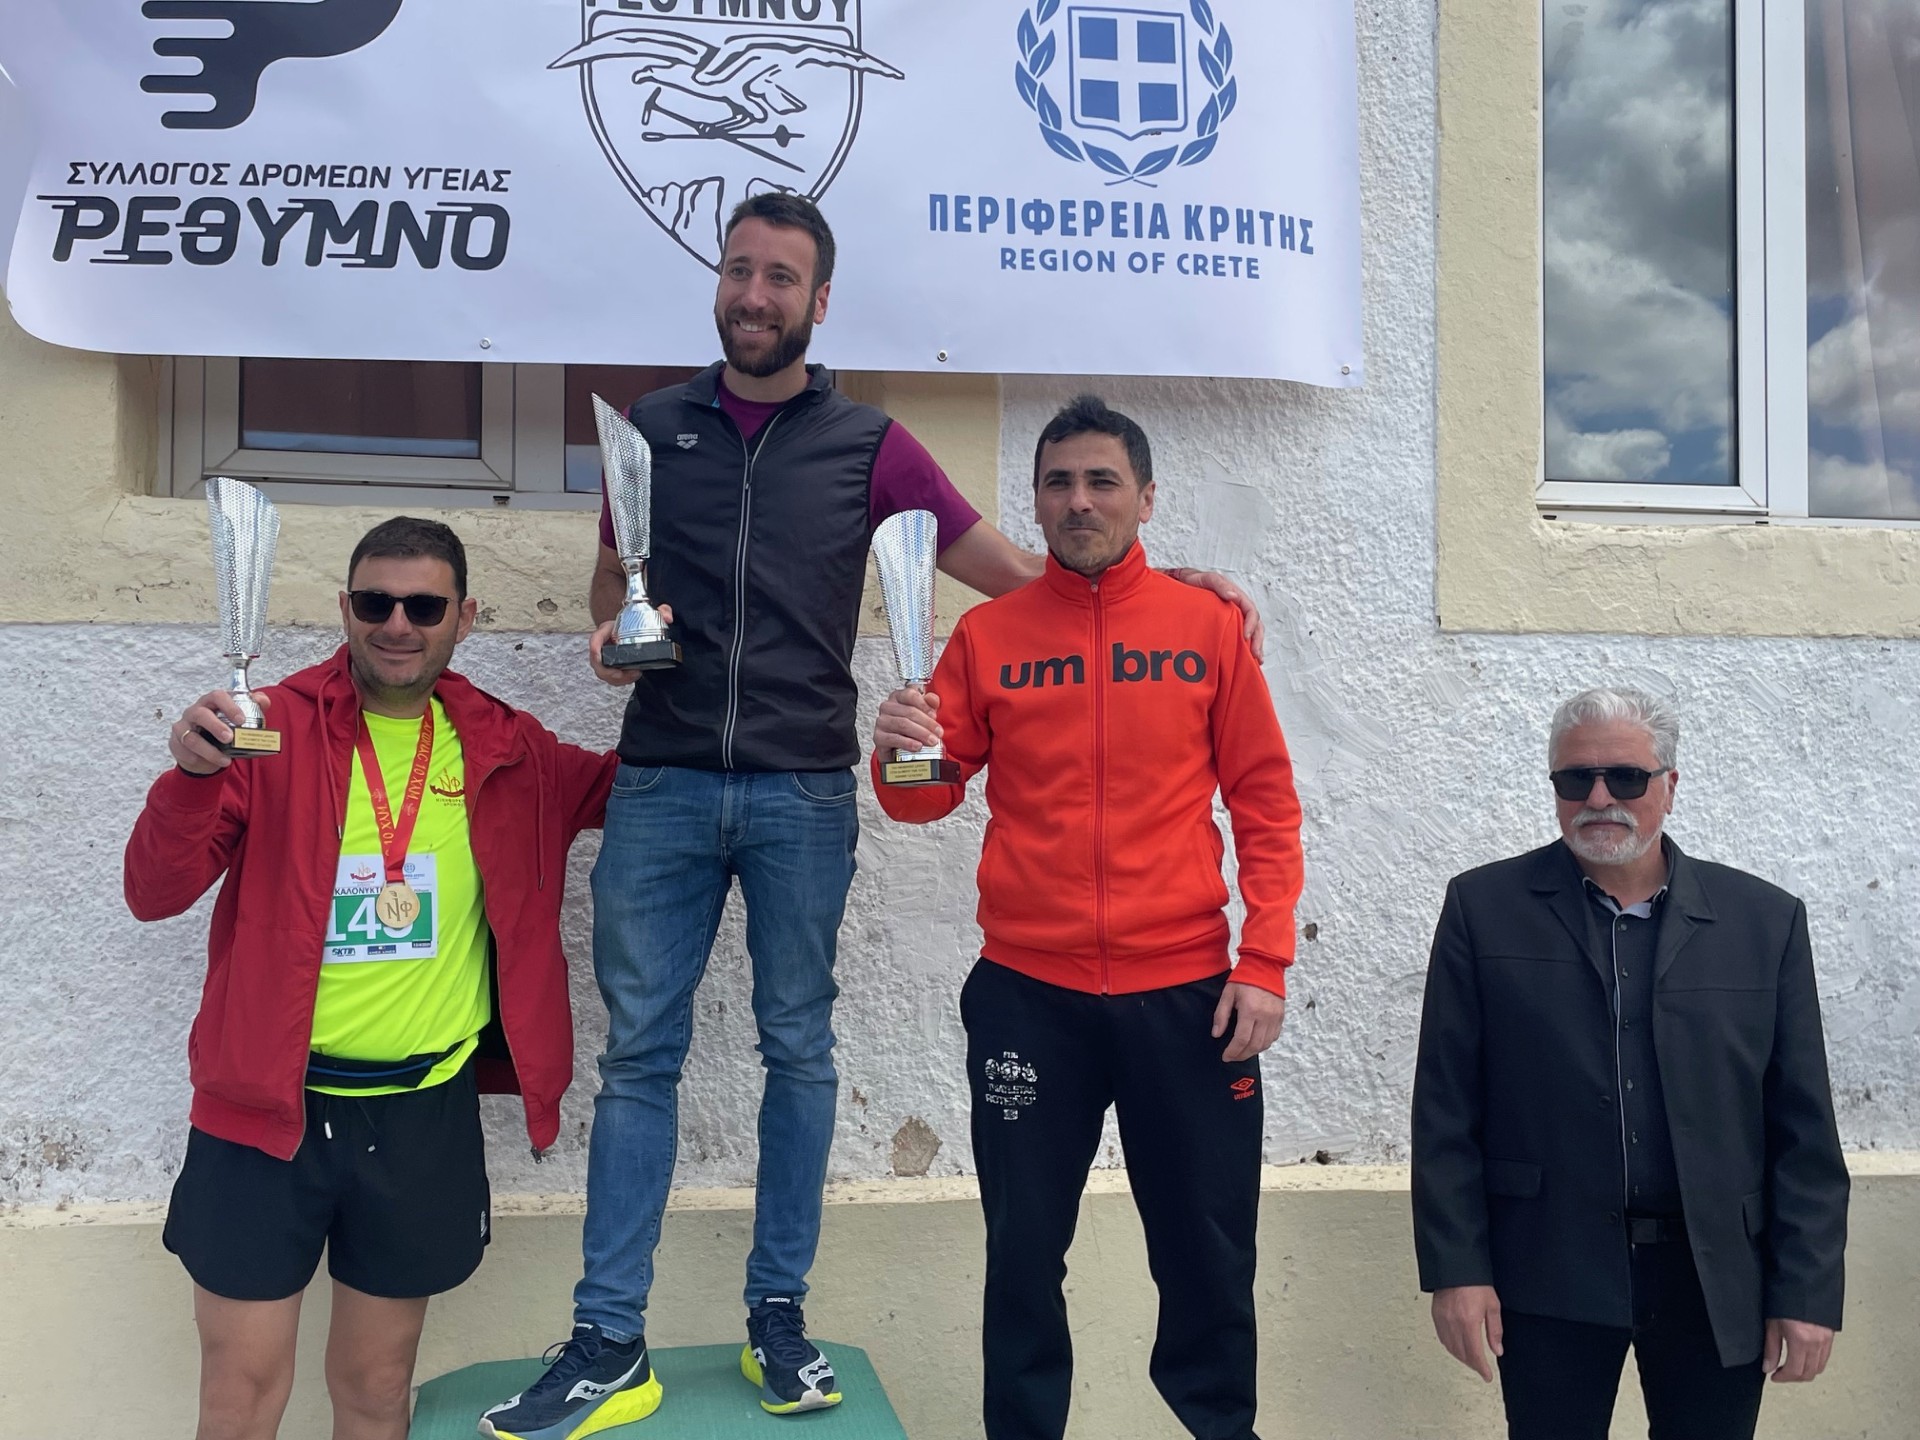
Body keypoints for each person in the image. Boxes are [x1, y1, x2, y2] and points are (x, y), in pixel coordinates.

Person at [481, 199, 1267, 1440]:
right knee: (638, 1060)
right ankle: (609, 1337)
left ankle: (778, 1320)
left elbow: (1028, 575)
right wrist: (610, 639)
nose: (755, 294)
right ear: (719, 283)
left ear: (819, 301)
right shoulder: (653, 430)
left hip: (803, 789)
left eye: (780, 277)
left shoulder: (871, 445)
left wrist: (1167, 588)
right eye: (739, 270)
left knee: (799, 1049)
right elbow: (608, 596)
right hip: (665, 781)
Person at [869, 395, 1303, 1440]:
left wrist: (1266, 960)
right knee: (1022, 1259)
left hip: (1189, 998)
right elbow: (924, 801)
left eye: (1103, 481)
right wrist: (898, 749)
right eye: (1058, 483)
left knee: (1207, 1256)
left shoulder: (1207, 629)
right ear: (1035, 501)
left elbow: (1265, 802)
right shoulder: (987, 636)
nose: (1079, 501)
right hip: (1030, 997)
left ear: (1145, 498)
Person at [125, 518, 616, 1440]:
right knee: (240, 1394)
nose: (397, 623)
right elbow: (154, 893)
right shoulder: (265, 728)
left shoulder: (508, 746)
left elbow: (645, 793)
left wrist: (671, 673)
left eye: (424, 606)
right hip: (264, 1115)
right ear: (345, 609)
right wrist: (189, 777)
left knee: (378, 1387)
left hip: (419, 1112)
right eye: (375, 602)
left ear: (465, 617)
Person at [1410, 687, 1850, 1440]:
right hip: (1546, 1269)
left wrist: (1806, 1288)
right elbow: (1446, 1108)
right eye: (1574, 779)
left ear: (1669, 786)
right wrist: (1457, 1269)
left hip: (1715, 1275)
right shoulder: (1484, 909)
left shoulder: (1764, 921)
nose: (1598, 798)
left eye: (1626, 777)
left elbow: (1802, 1125)